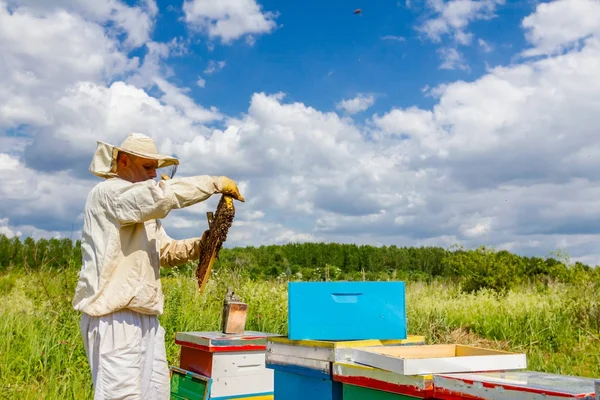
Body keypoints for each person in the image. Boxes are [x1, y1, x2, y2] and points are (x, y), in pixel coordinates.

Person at [72, 132, 244, 400]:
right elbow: (160, 196)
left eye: (156, 168)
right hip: (115, 318)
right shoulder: (109, 193)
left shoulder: (139, 208)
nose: (154, 174)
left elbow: (164, 251)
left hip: (146, 318)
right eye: (148, 167)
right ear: (125, 161)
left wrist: (203, 245)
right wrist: (213, 183)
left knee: (156, 394)